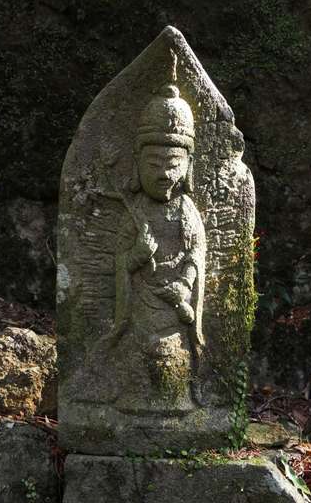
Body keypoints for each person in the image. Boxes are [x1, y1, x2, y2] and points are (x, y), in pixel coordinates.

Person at [107, 83, 206, 415]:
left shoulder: (185, 210)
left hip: (174, 301)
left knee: (171, 352)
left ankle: (175, 399)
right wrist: (135, 256)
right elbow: (121, 260)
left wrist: (186, 284)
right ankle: (134, 397)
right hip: (142, 301)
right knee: (137, 349)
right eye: (154, 164)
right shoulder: (135, 212)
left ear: (188, 165)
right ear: (137, 164)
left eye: (173, 163)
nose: (164, 173)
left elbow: (195, 255)